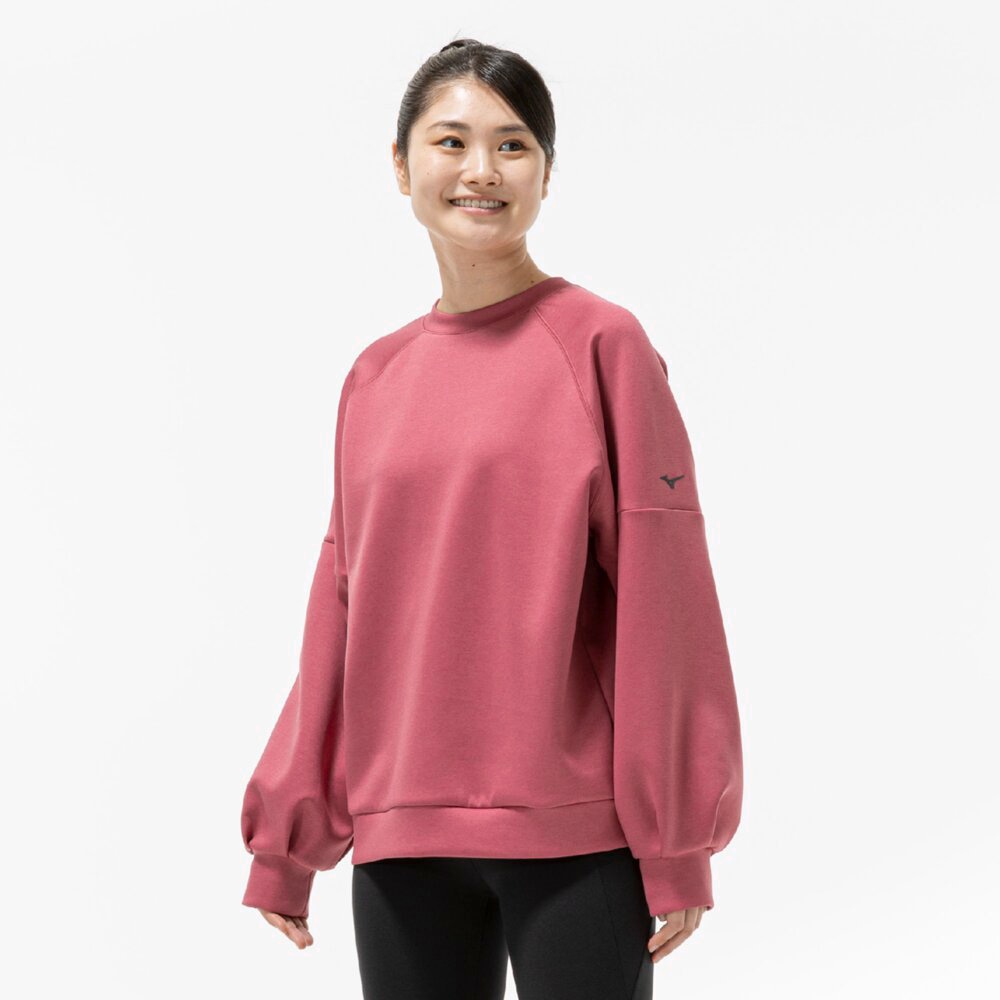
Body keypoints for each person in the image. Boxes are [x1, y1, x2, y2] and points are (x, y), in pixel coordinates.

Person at [239, 38, 743, 1000]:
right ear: (401, 166)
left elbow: (665, 601)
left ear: (547, 173)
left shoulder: (602, 344)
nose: (481, 170)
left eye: (513, 145)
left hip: (577, 838)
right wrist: (288, 835)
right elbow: (341, 608)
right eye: (451, 141)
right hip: (401, 839)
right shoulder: (374, 377)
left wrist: (676, 839)